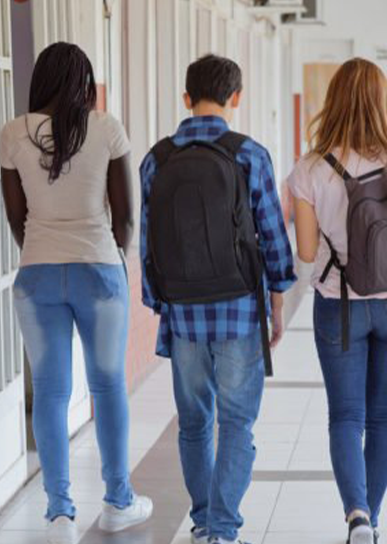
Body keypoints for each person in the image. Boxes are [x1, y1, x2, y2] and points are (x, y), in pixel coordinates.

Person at [0, 42, 152, 544]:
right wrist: (113, 256)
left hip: (37, 271)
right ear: (84, 82)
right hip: (99, 269)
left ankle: (60, 513)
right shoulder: (105, 128)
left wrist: (43, 249)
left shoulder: (13, 133)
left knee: (51, 390)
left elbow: (15, 217)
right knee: (107, 385)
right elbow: (126, 214)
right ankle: (117, 501)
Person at [139, 54, 295, 544]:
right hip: (238, 307)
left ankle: (205, 519)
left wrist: (159, 302)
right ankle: (222, 530)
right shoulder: (249, 154)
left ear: (186, 99)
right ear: (236, 98)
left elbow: (147, 240)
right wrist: (279, 296)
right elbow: (271, 233)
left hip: (182, 314)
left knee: (193, 424)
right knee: (237, 424)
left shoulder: (156, 158)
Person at [288, 57, 387, 544]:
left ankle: (358, 517)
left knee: (346, 416)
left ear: (333, 104)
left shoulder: (309, 169)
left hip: (339, 305)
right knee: (383, 415)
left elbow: (306, 253)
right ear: (383, 104)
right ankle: (373, 517)